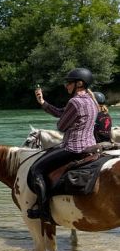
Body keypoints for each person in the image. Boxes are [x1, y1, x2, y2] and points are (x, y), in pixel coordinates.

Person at [28, 68, 98, 222]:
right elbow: (61, 112)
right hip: (90, 145)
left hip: (73, 148)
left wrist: (63, 122)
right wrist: (42, 102)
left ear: (79, 83)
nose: (66, 85)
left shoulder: (75, 101)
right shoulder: (92, 100)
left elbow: (61, 125)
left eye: (69, 82)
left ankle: (44, 211)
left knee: (36, 169)